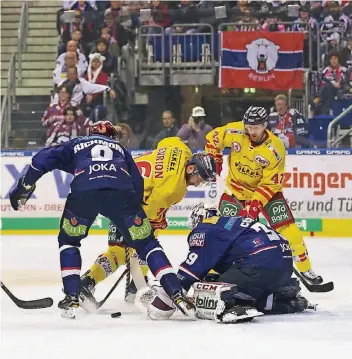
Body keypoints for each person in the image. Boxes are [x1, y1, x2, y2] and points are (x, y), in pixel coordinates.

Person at [9, 121, 195, 320]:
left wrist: (25, 185)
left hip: (84, 194)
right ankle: (176, 292)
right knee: (148, 244)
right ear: (112, 137)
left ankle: (72, 296)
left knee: (69, 242)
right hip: (122, 198)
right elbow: (137, 184)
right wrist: (134, 215)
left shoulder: (77, 143)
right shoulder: (121, 150)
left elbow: (42, 158)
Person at [79, 137, 217, 306]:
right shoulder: (175, 189)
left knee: (125, 247)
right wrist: (156, 224)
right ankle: (91, 282)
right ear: (190, 168)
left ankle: (133, 284)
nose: (197, 184)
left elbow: (165, 142)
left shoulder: (180, 148)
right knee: (136, 246)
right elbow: (149, 215)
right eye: (200, 179)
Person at [205, 106, 324, 285]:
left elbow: (270, 183)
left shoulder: (275, 148)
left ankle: (305, 268)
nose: (251, 131)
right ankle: (214, 270)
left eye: (256, 127)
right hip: (235, 190)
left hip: (267, 194)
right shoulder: (236, 130)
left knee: (287, 227)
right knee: (223, 231)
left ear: (265, 125)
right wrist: (215, 160)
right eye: (249, 126)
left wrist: (254, 206)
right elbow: (212, 138)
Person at [139, 203, 314, 323]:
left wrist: (163, 300)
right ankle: (282, 298)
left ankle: (234, 305)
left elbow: (190, 272)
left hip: (256, 265)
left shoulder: (205, 227)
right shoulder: (231, 223)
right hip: (284, 268)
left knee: (206, 288)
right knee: (235, 280)